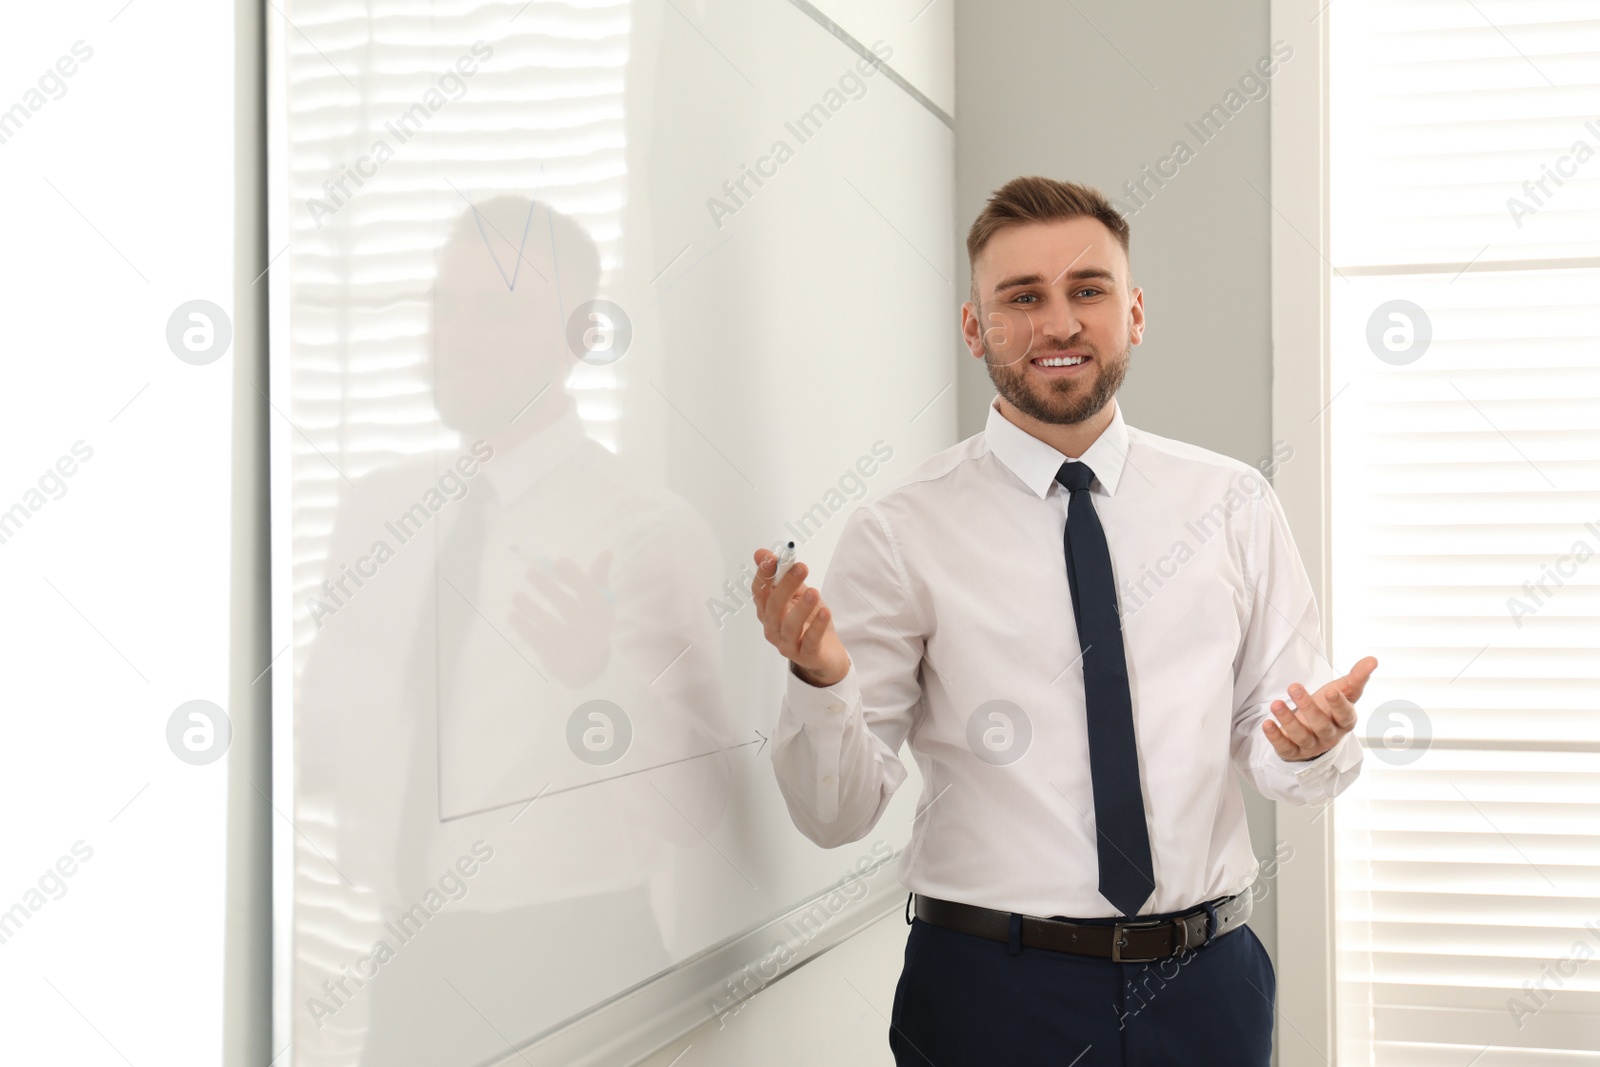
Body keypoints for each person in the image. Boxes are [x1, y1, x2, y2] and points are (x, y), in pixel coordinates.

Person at [751, 175, 1378, 1066]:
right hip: (987, 995)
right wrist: (820, 680)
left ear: (1134, 313)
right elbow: (836, 812)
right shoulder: (899, 531)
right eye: (1022, 298)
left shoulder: (1232, 502)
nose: (1059, 323)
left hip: (1207, 990)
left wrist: (1313, 743)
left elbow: (1281, 751)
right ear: (977, 329)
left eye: (1088, 290)